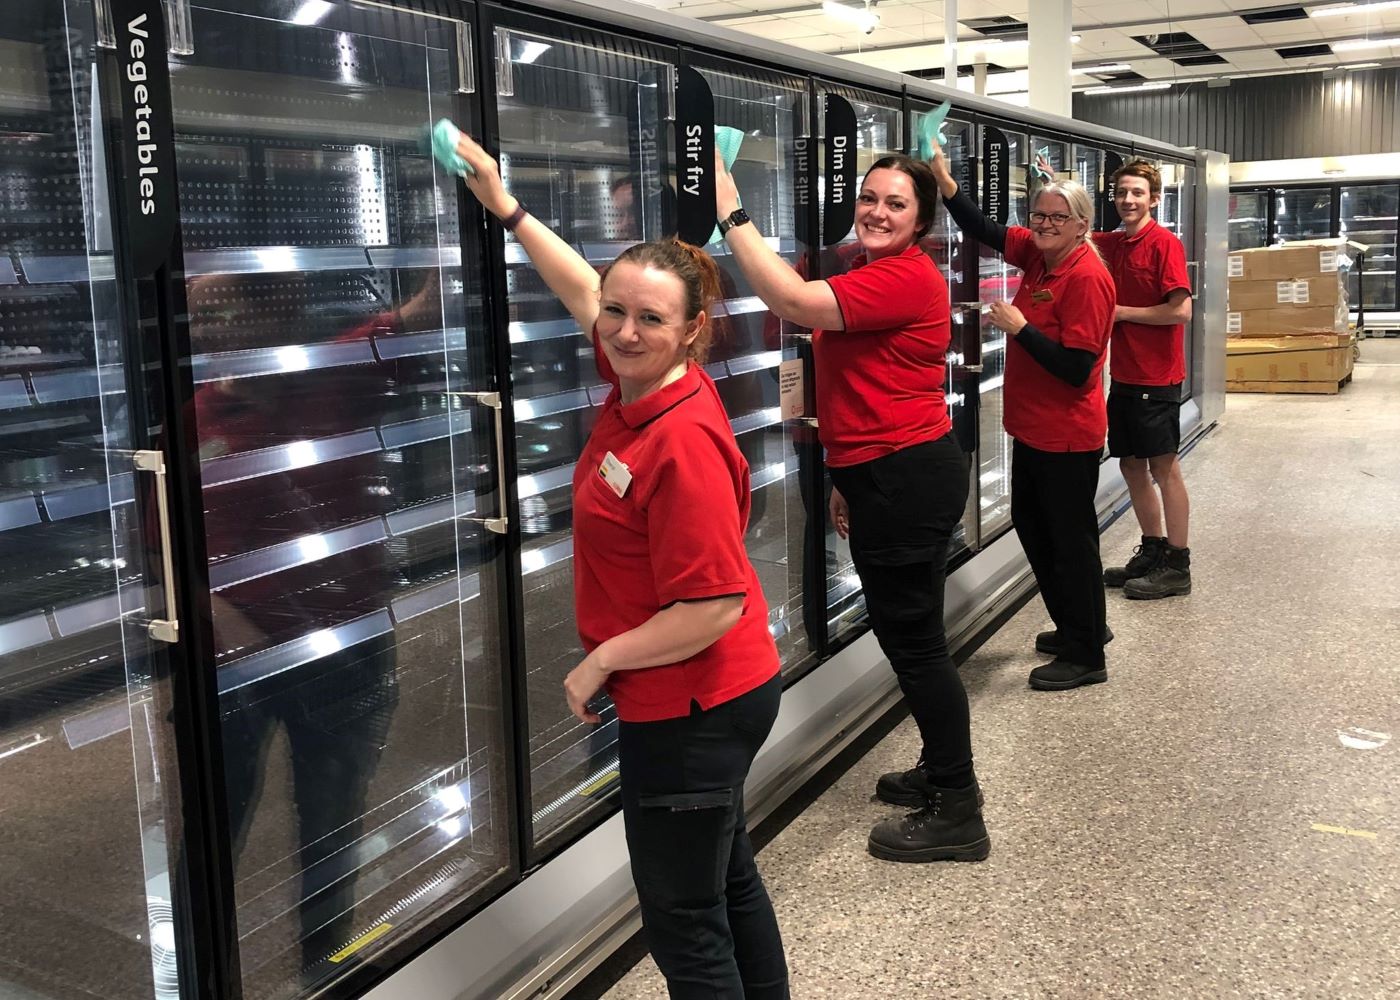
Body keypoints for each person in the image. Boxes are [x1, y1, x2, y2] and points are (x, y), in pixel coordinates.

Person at [449, 127, 789, 1000]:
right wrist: (508, 204)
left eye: (649, 319)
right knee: (726, 879)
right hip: (705, 692)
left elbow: (710, 604)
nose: (623, 331)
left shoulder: (680, 442)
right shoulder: (648, 380)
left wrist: (601, 660)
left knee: (684, 923)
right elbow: (579, 287)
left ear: (692, 333)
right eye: (617, 313)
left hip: (692, 701)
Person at [714, 152, 988, 864]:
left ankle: (958, 807)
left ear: (922, 221)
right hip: (887, 472)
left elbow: (794, 303)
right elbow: (866, 384)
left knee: (917, 646)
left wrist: (730, 209)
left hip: (905, 479)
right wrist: (843, 470)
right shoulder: (876, 273)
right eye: (869, 198)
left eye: (896, 203)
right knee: (913, 640)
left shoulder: (904, 275)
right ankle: (940, 767)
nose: (877, 211)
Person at [929, 141, 1117, 693]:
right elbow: (985, 228)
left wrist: (1020, 329)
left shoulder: (1086, 278)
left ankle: (1086, 654)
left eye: (1057, 217)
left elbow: (1079, 369)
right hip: (1033, 431)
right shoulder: (1040, 253)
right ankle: (1081, 626)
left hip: (1065, 436)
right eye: (1038, 215)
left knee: (1069, 541)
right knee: (1040, 532)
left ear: (1082, 225)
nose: (1044, 224)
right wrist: (945, 180)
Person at [1093, 159, 1195, 599]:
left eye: (1136, 193)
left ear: (1154, 198)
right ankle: (1151, 550)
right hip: (1126, 376)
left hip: (1159, 376)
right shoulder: (1113, 245)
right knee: (1131, 464)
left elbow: (1181, 310)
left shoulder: (1164, 244)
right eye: (1120, 193)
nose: (1127, 200)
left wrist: (1120, 314)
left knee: (1163, 466)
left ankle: (1178, 563)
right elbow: (1071, 228)